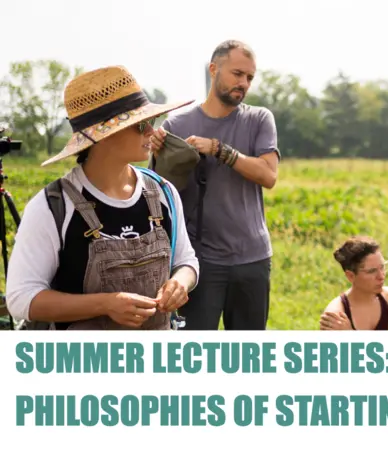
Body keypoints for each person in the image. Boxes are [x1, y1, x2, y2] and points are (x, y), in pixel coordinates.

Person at [5, 65, 199, 330]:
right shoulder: (53, 207)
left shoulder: (163, 192)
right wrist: (106, 304)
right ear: (103, 135)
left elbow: (186, 261)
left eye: (150, 122)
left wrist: (181, 282)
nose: (151, 133)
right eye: (140, 124)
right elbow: (21, 299)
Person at [150, 39, 281, 331]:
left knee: (249, 359)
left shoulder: (259, 119)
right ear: (213, 69)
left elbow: (269, 175)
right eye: (237, 73)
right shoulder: (176, 126)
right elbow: (160, 195)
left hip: (252, 258)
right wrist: (160, 154)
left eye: (249, 77)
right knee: (195, 355)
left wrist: (219, 149)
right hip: (197, 263)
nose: (244, 83)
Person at [320, 236, 388, 331]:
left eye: (382, 267)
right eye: (372, 271)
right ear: (350, 276)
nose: (381, 276)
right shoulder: (335, 316)